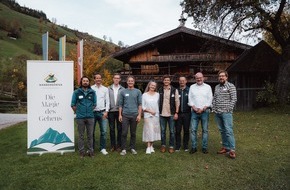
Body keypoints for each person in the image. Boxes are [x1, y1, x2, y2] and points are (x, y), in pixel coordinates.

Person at [212, 70, 237, 159]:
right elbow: (214, 99)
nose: (221, 77)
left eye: (223, 76)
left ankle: (232, 150)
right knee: (222, 131)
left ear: (226, 77)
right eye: (220, 76)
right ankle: (225, 147)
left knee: (228, 131)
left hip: (226, 113)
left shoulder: (231, 86)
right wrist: (214, 108)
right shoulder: (217, 87)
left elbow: (234, 99)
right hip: (218, 113)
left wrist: (228, 109)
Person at [71, 76, 96, 158]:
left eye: (87, 81)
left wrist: (89, 110)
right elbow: (73, 104)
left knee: (90, 135)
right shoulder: (76, 92)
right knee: (81, 135)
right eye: (84, 81)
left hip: (90, 117)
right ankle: (81, 151)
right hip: (80, 117)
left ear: (89, 82)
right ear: (81, 82)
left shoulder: (92, 92)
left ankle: (90, 151)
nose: (85, 82)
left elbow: (94, 104)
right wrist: (78, 111)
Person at [188, 72, 213, 154]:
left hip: (205, 111)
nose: (199, 79)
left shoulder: (208, 87)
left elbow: (210, 99)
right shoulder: (192, 87)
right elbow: (190, 99)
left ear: (203, 78)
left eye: (200, 77)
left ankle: (204, 147)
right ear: (195, 79)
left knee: (205, 130)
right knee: (193, 130)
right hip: (194, 112)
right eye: (197, 78)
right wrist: (194, 107)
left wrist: (203, 108)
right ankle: (194, 147)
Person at [119, 76, 142, 156]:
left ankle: (132, 148)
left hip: (134, 115)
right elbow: (120, 104)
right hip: (125, 115)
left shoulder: (138, 91)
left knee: (133, 133)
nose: (130, 82)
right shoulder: (123, 92)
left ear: (134, 82)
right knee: (124, 132)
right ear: (127, 82)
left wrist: (139, 115)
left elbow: (140, 104)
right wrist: (120, 115)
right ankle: (124, 149)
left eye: (132, 81)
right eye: (129, 81)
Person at [158, 75, 180, 153]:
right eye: (165, 80)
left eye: (168, 80)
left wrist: (176, 113)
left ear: (170, 81)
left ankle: (171, 146)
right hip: (162, 114)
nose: (166, 81)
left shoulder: (174, 90)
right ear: (163, 81)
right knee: (163, 131)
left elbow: (177, 102)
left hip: (171, 114)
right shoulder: (160, 90)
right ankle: (163, 145)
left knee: (172, 131)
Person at [91, 73, 110, 155]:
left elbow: (108, 101)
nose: (98, 79)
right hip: (92, 113)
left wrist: (106, 111)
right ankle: (91, 147)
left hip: (102, 113)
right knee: (91, 132)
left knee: (104, 132)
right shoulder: (91, 88)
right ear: (94, 79)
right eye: (97, 78)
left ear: (101, 79)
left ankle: (103, 148)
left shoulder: (105, 89)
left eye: (100, 78)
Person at [142, 81, 161, 154]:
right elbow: (143, 107)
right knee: (148, 130)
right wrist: (150, 111)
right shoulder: (144, 95)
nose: (153, 86)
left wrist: (155, 112)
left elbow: (159, 105)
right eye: (152, 85)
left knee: (154, 130)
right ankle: (148, 147)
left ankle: (152, 146)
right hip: (148, 115)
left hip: (155, 115)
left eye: (154, 86)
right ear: (149, 85)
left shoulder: (157, 95)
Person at [108, 73, 124, 152]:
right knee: (111, 129)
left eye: (118, 78)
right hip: (111, 111)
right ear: (113, 79)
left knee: (119, 129)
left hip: (119, 112)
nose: (116, 79)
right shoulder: (108, 88)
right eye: (115, 78)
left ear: (120, 79)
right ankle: (112, 145)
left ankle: (119, 145)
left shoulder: (123, 89)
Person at [175, 76, 191, 152]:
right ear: (179, 82)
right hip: (178, 114)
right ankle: (178, 145)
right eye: (180, 81)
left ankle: (185, 145)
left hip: (187, 113)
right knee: (177, 130)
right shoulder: (176, 90)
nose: (182, 82)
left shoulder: (189, 90)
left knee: (186, 130)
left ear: (186, 81)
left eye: (183, 80)